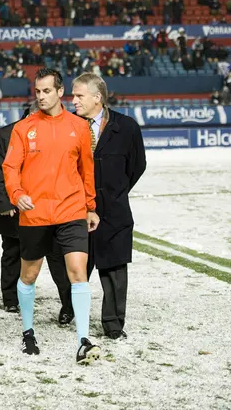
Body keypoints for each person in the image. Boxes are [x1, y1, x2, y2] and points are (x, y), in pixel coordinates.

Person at [2, 68, 101, 363]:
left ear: (60, 92)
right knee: (29, 275)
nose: (42, 96)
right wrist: (18, 195)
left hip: (71, 210)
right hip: (35, 214)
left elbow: (86, 169)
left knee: (77, 271)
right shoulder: (23, 128)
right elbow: (9, 168)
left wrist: (91, 205)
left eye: (47, 91)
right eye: (38, 92)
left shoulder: (80, 127)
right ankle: (28, 332)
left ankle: (83, 339)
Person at [70, 73, 146, 340]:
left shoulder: (126, 127)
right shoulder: (68, 125)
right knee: (74, 265)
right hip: (75, 209)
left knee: (114, 268)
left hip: (114, 210)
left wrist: (113, 192)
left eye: (79, 96)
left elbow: (137, 167)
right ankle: (70, 310)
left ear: (97, 97)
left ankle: (113, 324)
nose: (74, 100)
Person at [0, 102, 75, 316]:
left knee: (57, 258)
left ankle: (68, 304)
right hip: (14, 210)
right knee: (12, 254)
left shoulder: (58, 133)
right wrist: (4, 203)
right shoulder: (6, 134)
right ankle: (11, 299)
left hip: (51, 209)